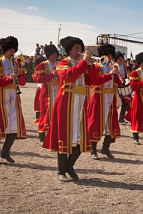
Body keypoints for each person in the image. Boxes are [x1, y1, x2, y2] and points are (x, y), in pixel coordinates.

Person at [43, 36, 97, 182]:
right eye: (76, 48)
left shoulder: (83, 63)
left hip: (81, 104)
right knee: (64, 136)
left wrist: (91, 67)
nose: (79, 50)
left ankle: (69, 165)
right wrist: (84, 63)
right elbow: (70, 76)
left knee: (81, 138)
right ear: (69, 50)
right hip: (66, 103)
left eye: (80, 47)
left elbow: (93, 81)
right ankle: (61, 171)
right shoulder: (62, 63)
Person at [87, 44, 122, 160]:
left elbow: (121, 83)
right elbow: (96, 81)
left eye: (111, 55)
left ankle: (105, 148)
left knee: (110, 124)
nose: (110, 58)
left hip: (110, 97)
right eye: (108, 55)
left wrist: (118, 74)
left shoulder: (113, 67)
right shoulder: (97, 67)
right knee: (95, 122)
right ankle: (93, 149)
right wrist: (110, 74)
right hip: (99, 97)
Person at [0, 36, 27, 163]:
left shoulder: (17, 63)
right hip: (1, 96)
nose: (13, 52)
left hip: (14, 97)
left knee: (14, 127)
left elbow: (23, 82)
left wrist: (19, 75)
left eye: (14, 50)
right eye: (10, 50)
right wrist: (8, 79)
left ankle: (5, 152)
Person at [32, 44, 59, 144]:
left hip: (58, 91)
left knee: (57, 114)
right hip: (47, 92)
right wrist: (51, 75)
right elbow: (37, 78)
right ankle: (42, 136)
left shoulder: (59, 64)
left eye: (55, 54)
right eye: (52, 54)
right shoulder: (43, 65)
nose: (54, 56)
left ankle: (54, 135)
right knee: (45, 114)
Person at [114, 51, 130, 124]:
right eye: (119, 58)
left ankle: (121, 118)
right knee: (115, 104)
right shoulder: (113, 66)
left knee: (125, 103)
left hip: (123, 87)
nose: (121, 60)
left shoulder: (124, 67)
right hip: (115, 88)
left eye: (122, 58)